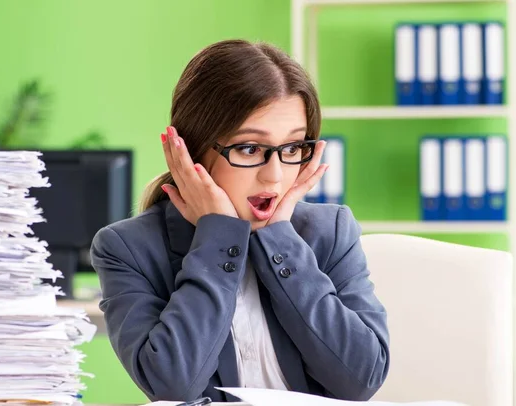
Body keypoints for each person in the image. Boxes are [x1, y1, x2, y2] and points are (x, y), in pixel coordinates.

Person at [90, 39, 390, 403]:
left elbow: (362, 378)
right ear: (189, 150)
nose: (275, 177)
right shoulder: (128, 249)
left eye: (293, 148)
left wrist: (279, 240)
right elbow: (172, 386)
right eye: (249, 148)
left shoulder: (330, 231)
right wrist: (219, 238)